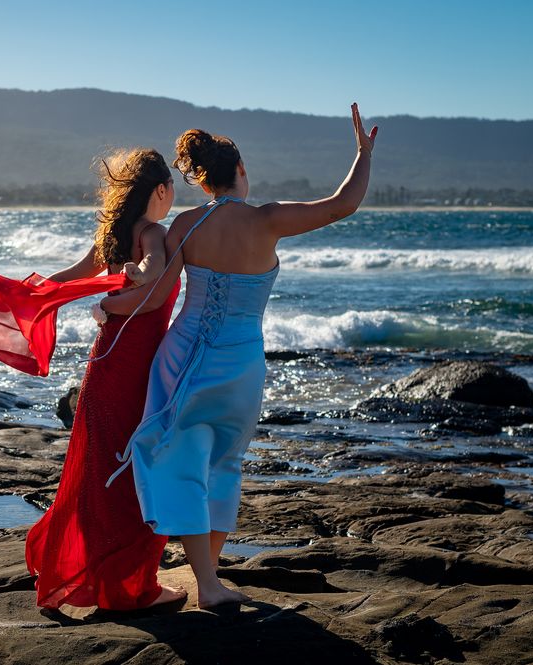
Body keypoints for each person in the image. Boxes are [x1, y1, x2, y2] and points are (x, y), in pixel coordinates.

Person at [101, 104, 377, 608]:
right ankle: (209, 583)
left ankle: (204, 580)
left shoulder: (184, 224)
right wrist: (363, 153)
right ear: (241, 172)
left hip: (182, 357)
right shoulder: (268, 220)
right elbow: (342, 204)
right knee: (225, 463)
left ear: (205, 182)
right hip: (241, 362)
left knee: (184, 460)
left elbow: (158, 297)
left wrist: (107, 306)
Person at [25, 148, 188, 610]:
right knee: (135, 465)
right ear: (160, 191)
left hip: (105, 360)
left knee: (101, 467)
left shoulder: (113, 236)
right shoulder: (154, 233)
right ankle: (130, 584)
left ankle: (92, 571)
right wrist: (136, 275)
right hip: (138, 367)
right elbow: (153, 283)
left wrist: (32, 294)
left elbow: (72, 278)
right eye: (171, 188)